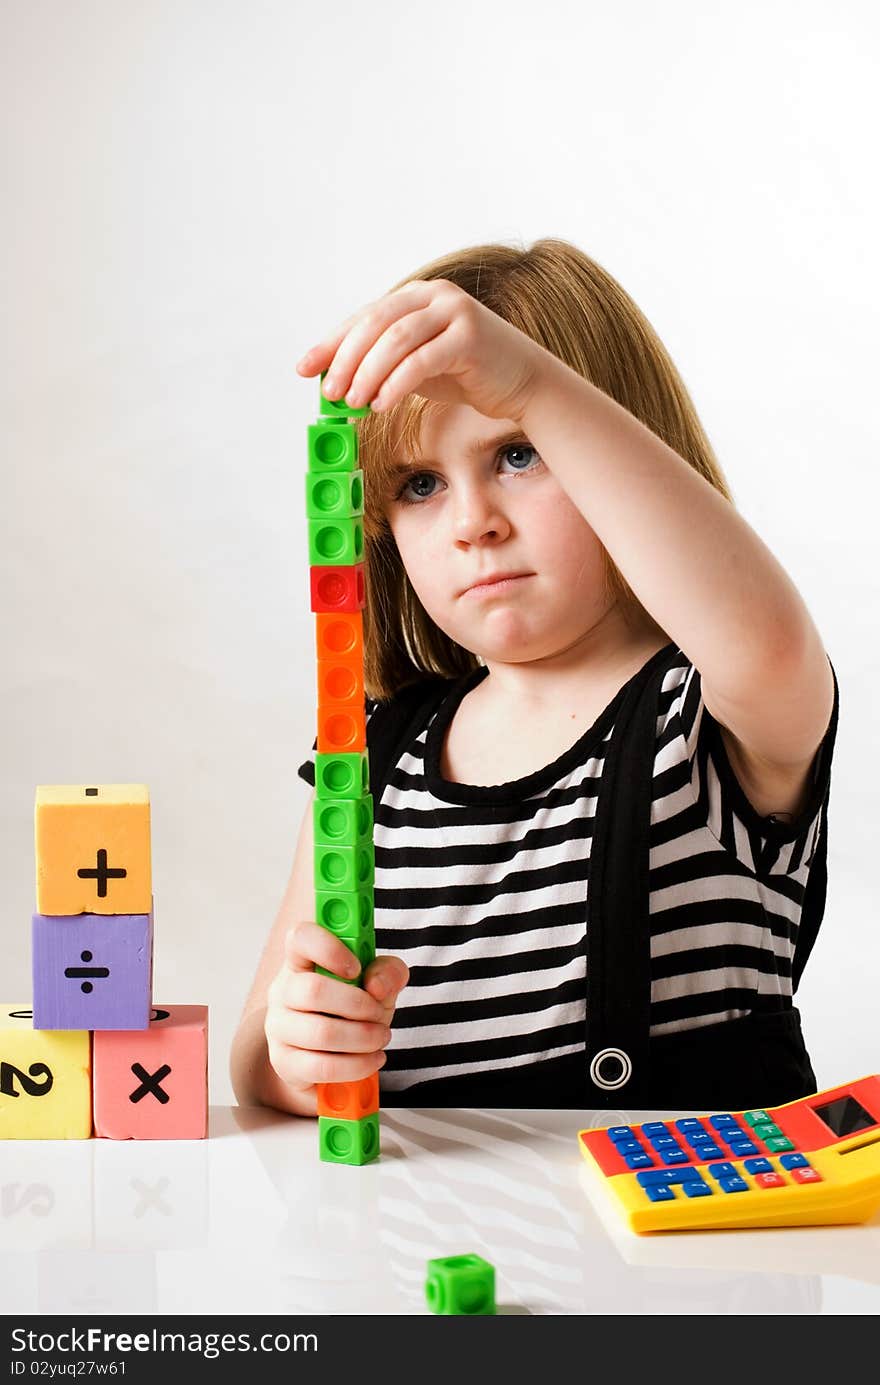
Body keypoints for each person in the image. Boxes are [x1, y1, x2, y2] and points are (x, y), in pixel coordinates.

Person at [229, 238, 838, 1117]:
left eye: (518, 453)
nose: (473, 522)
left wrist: (532, 383)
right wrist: (294, 1053)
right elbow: (261, 1045)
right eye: (421, 483)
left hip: (682, 1248)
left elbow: (775, 645)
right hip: (425, 1252)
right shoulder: (373, 759)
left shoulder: (708, 712)